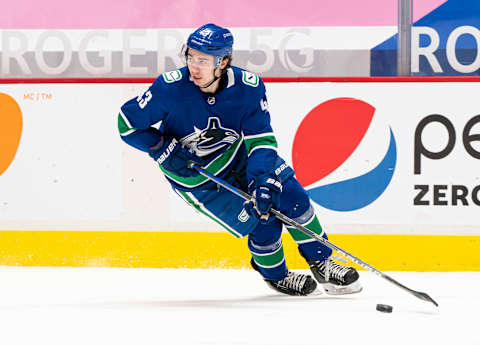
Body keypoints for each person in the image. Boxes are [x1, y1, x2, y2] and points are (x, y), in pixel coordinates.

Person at [117, 23, 362, 296]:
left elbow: (261, 140)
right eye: (190, 57)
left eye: (203, 60)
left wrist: (263, 180)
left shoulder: (248, 88)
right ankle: (276, 275)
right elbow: (127, 124)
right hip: (197, 179)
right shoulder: (169, 88)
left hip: (238, 158)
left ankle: (322, 261)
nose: (193, 67)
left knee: (291, 195)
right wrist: (161, 147)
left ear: (223, 62)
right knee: (262, 220)